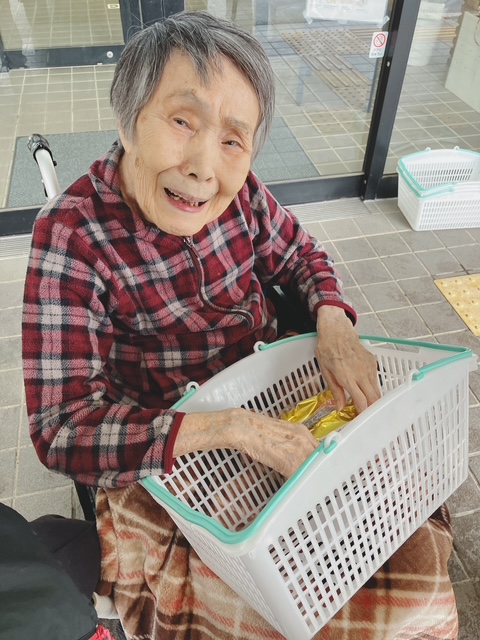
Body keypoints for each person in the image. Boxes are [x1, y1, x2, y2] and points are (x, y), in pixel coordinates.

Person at [22, 11, 457, 640]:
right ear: (127, 120)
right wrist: (229, 428)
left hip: (278, 397)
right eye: (182, 121)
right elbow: (61, 429)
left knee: (404, 549)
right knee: (288, 608)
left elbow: (301, 256)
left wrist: (334, 321)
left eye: (233, 139)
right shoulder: (73, 235)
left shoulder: (243, 194)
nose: (205, 167)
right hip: (172, 453)